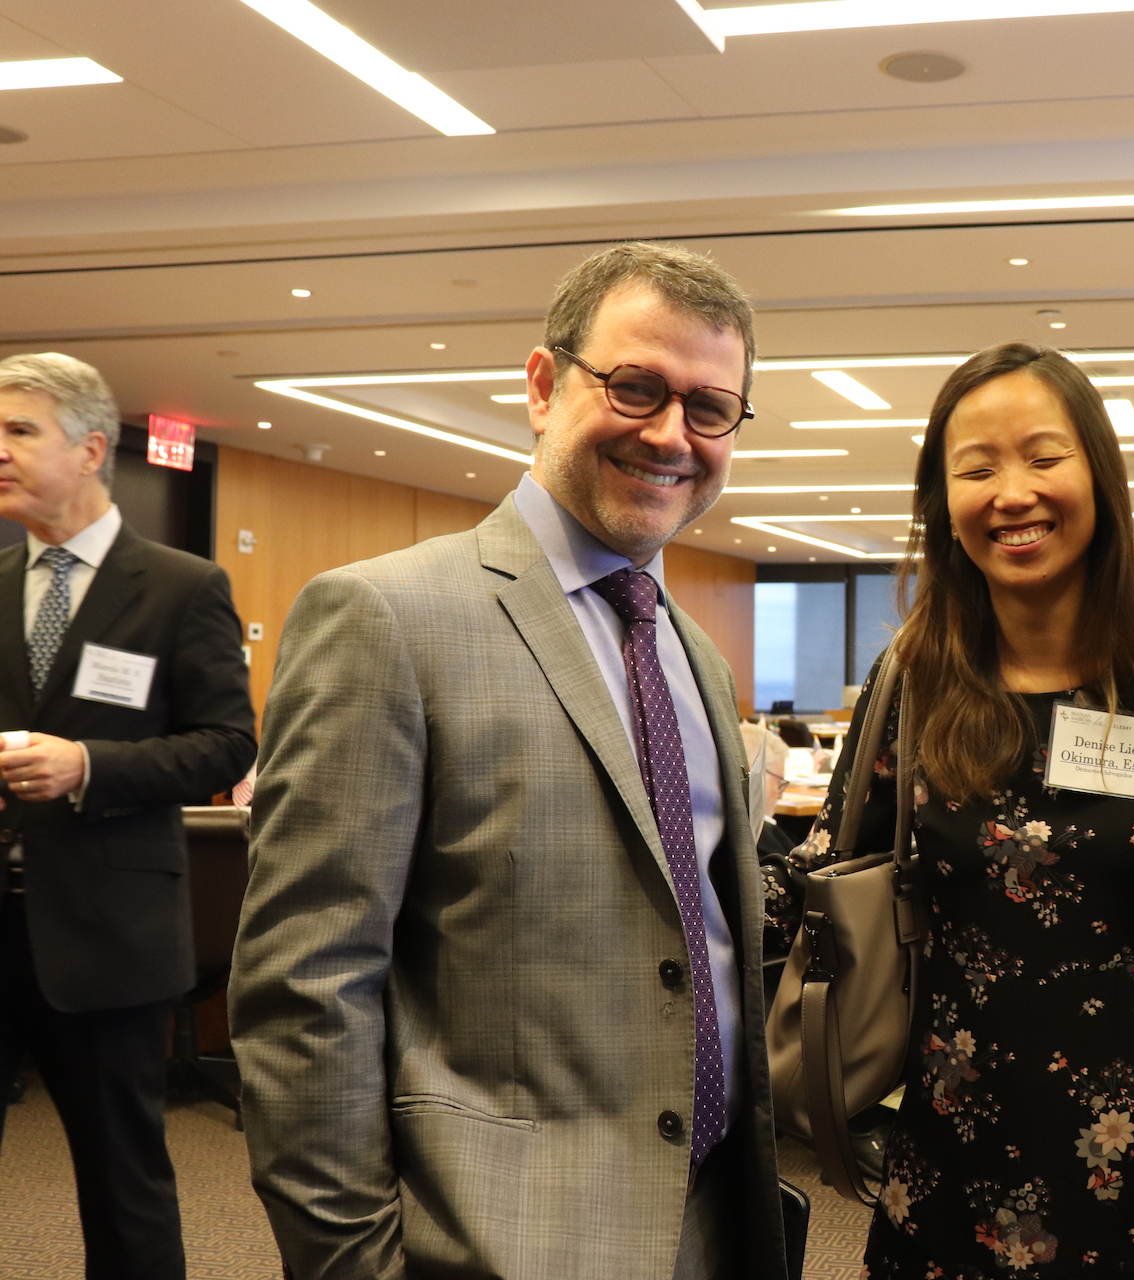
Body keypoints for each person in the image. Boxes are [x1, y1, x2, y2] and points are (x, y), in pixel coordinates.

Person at [229, 242, 788, 1280]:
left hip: (713, 1222)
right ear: (542, 385)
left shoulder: (697, 658)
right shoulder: (386, 618)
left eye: (710, 408)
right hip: (495, 1239)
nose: (671, 434)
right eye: (636, 387)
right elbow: (305, 989)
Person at [773, 342, 1134, 1278]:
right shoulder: (914, 684)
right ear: (943, 504)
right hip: (953, 1151)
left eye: (1045, 457)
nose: (1013, 494)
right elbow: (822, 872)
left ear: (1100, 477)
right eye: (976, 469)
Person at [0, 351, 256, 1280]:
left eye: (19, 430)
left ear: (90, 448)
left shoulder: (183, 586)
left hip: (107, 935)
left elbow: (226, 745)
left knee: (123, 1185)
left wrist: (88, 766)